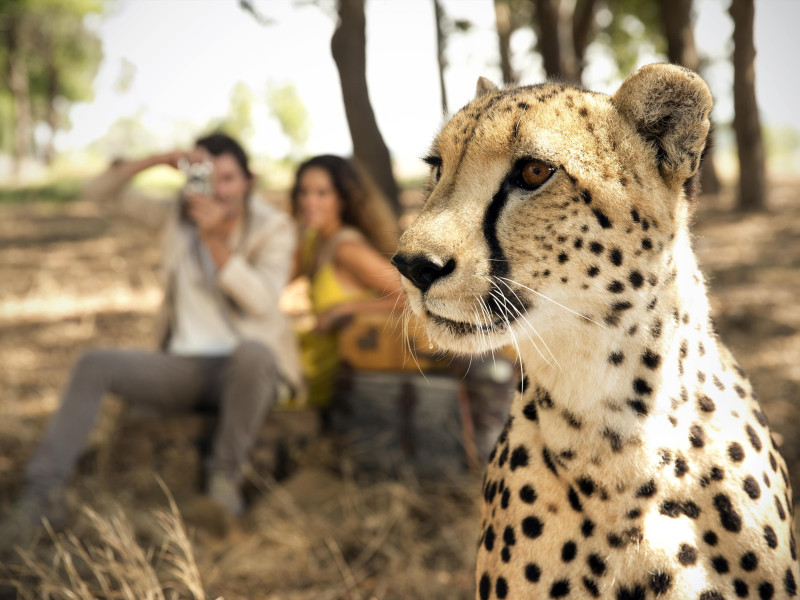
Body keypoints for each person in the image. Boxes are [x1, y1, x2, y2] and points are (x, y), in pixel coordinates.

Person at [6, 133, 303, 535]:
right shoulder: (174, 218)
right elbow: (97, 193)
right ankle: (43, 494)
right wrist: (155, 159)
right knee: (93, 364)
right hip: (183, 367)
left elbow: (263, 302)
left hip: (248, 372)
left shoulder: (273, 227)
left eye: (229, 178)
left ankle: (223, 482)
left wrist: (214, 240)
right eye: (207, 177)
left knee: (253, 353)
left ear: (248, 181)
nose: (219, 189)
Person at [290, 155, 404, 410]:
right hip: (308, 356)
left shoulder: (347, 249)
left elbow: (410, 295)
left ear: (341, 200)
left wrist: (346, 309)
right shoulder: (314, 240)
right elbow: (276, 281)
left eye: (322, 193)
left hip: (329, 377)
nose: (309, 202)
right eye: (304, 192)